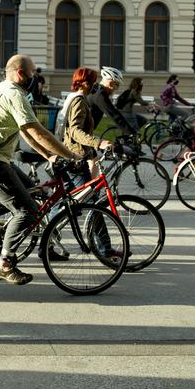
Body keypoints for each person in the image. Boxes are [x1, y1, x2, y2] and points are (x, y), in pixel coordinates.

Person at [0, 54, 81, 285]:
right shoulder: (14, 94)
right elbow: (37, 132)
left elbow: (26, 132)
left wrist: (50, 156)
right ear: (21, 73)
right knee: (28, 212)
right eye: (33, 74)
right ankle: (4, 264)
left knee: (34, 192)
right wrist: (71, 155)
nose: (35, 79)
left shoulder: (3, 88)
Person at [61, 67, 117, 255]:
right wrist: (99, 143)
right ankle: (105, 249)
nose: (95, 84)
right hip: (75, 159)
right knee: (93, 203)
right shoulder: (78, 101)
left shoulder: (76, 98)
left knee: (64, 205)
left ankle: (49, 242)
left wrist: (92, 151)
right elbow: (76, 131)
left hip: (73, 156)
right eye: (93, 81)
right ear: (85, 82)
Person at [87, 66, 136, 137]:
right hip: (82, 135)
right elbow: (114, 114)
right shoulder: (100, 95)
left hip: (86, 133)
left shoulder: (96, 89)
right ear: (110, 83)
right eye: (117, 85)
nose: (116, 89)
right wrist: (132, 133)